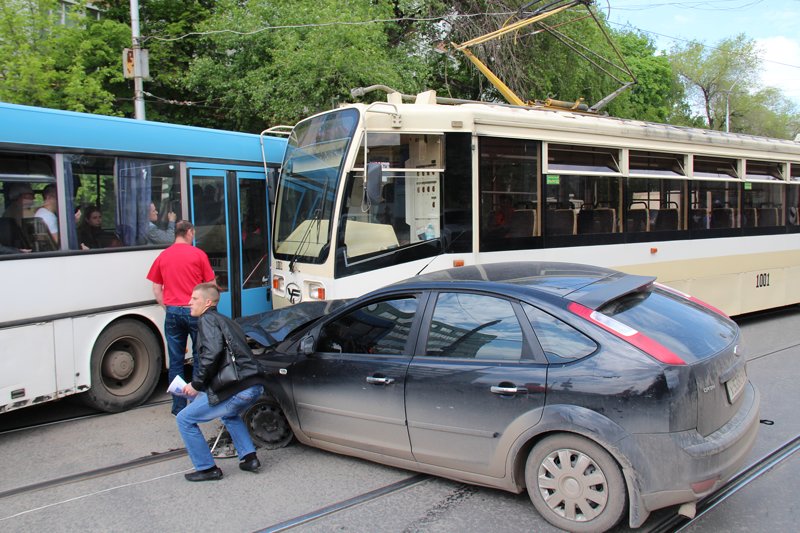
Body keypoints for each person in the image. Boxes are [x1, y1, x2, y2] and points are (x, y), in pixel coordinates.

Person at [176, 282, 263, 481]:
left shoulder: (206, 320)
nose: (190, 303)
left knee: (184, 419)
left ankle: (207, 469)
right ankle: (249, 458)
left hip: (236, 388)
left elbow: (212, 354)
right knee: (229, 413)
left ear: (207, 302)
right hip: (252, 385)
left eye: (194, 299)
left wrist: (196, 384)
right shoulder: (227, 320)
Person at [146, 220, 215, 415]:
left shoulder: (163, 256)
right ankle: (195, 406)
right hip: (195, 312)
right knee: (199, 357)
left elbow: (156, 289)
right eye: (193, 233)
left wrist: (168, 308)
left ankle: (178, 407)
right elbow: (210, 285)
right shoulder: (198, 254)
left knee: (176, 361)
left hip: (174, 312)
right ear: (189, 232)